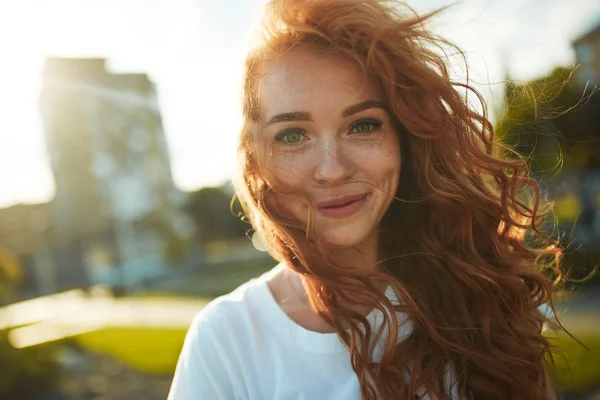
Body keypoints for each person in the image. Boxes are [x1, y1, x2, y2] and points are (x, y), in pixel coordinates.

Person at [168, 0, 563, 398]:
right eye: (292, 135)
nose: (332, 169)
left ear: (404, 139)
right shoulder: (225, 343)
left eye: (363, 125)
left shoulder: (484, 296)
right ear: (256, 160)